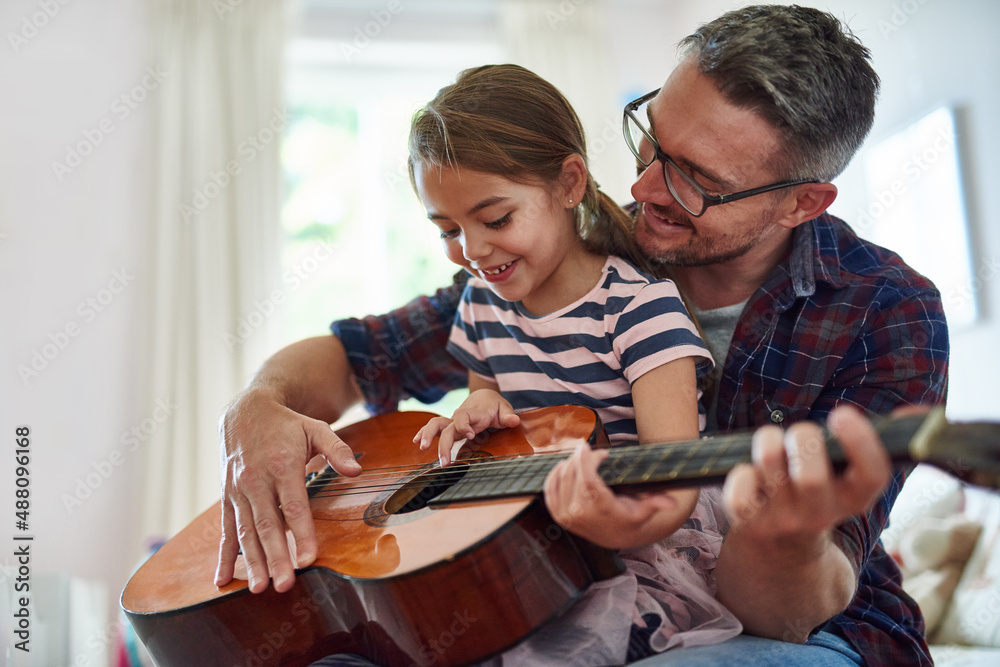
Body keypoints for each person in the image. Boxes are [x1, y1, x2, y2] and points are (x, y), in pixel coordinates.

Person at [216, 4, 949, 666]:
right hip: (560, 591)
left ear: (801, 202)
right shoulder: (556, 264)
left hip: (801, 624)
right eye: (650, 140)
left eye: (694, 178)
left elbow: (783, 613)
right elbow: (352, 357)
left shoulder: (887, 312)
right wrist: (259, 408)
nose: (643, 190)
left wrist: (774, 533)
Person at [399, 64, 744, 662]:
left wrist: (610, 526)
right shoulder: (481, 303)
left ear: (568, 183)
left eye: (496, 218)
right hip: (537, 544)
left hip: (640, 548)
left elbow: (675, 486)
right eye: (448, 230)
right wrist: (480, 408)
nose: (473, 251)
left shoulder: (639, 309)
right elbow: (491, 421)